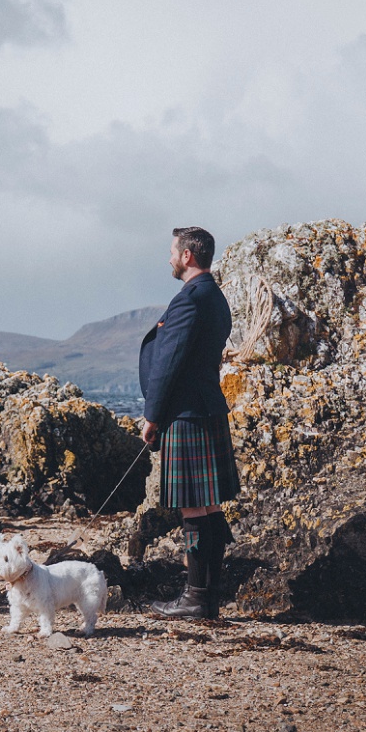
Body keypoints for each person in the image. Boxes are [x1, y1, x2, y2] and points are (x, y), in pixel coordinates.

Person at [139, 226, 241, 620]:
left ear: (187, 257)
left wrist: (152, 415)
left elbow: (169, 363)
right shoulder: (215, 298)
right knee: (209, 508)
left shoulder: (189, 300)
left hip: (186, 415)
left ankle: (196, 599)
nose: (168, 258)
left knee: (194, 510)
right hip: (207, 410)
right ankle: (208, 596)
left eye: (171, 252)